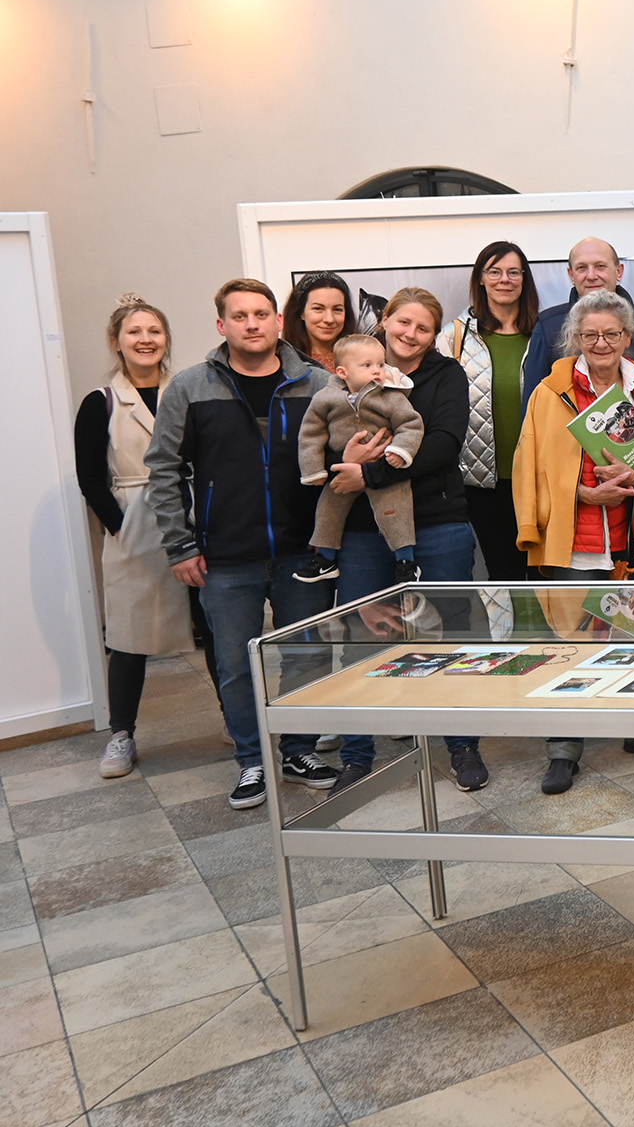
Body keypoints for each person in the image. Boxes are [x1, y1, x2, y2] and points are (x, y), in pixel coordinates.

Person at [145, 279, 340, 810]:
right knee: (234, 663)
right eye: (240, 316)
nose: (252, 324)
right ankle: (252, 759)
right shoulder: (189, 387)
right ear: (221, 326)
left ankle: (299, 751)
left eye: (261, 314)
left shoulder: (317, 382)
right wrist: (180, 547)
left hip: (304, 551)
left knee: (307, 655)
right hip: (225, 555)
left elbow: (343, 457)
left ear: (279, 321)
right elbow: (162, 470)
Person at [516, 289, 634, 793]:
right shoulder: (551, 393)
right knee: (570, 642)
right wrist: (587, 492)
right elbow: (534, 465)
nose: (600, 342)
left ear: (628, 338)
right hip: (579, 534)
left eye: (611, 334)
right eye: (589, 335)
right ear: (575, 338)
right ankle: (565, 748)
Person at [321, 288, 487, 792]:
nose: (410, 334)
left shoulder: (446, 375)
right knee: (359, 638)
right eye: (403, 323)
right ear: (386, 320)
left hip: (437, 521)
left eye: (424, 328)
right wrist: (343, 459)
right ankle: (356, 754)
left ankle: (462, 746)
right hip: (364, 528)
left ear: (435, 335)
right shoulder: (352, 369)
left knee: (452, 636)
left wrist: (367, 474)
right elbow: (326, 435)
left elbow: (442, 443)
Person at [75, 295, 199, 779]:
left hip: (191, 516)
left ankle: (236, 722)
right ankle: (121, 734)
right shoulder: (100, 402)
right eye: (135, 332)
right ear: (117, 342)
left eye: (154, 331)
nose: (146, 339)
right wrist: (120, 526)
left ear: (166, 340)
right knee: (127, 637)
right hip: (134, 522)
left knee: (213, 625)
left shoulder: (188, 389)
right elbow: (90, 477)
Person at [293, 334, 424, 586]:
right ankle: (326, 560)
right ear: (343, 371)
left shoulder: (390, 397)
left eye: (380, 364)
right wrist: (314, 471)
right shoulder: (325, 398)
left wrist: (400, 451)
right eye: (367, 365)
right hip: (344, 469)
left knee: (397, 509)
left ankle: (406, 562)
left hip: (382, 467)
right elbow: (310, 434)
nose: (376, 371)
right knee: (329, 508)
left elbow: (411, 424)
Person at [445, 241, 539, 582]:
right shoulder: (455, 337)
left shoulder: (545, 334)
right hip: (482, 481)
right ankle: (513, 638)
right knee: (503, 574)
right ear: (480, 279)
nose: (505, 279)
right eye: (495, 272)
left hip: (539, 477)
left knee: (545, 573)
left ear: (525, 279)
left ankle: (551, 638)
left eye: (514, 272)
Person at [521, 237, 634, 400]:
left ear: (619, 271)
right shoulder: (547, 327)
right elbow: (533, 404)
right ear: (571, 275)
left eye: (600, 266)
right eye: (581, 268)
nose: (591, 275)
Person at [280, 272, 356, 374]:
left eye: (337, 309)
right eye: (318, 308)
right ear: (301, 312)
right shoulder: (282, 362)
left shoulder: (365, 358)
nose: (329, 319)